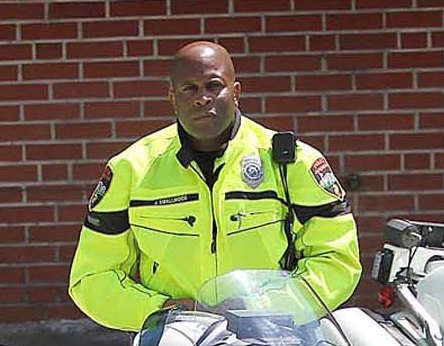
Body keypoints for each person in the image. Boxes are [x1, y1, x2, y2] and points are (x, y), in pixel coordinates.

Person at [69, 41, 361, 331]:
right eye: (190, 88)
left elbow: (336, 262)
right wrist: (162, 311)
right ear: (172, 98)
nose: (202, 98)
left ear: (236, 92)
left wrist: (259, 308)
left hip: (276, 337)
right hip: (172, 343)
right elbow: (92, 278)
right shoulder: (132, 169)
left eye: (214, 86)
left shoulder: (290, 163)